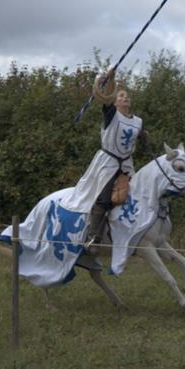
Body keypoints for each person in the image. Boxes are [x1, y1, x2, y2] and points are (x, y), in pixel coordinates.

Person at [78, 67, 147, 252]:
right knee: (103, 199)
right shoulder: (111, 115)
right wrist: (110, 78)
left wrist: (144, 137)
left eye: (126, 96)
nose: (125, 98)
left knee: (137, 197)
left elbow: (139, 136)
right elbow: (107, 95)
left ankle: (130, 236)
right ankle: (93, 238)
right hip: (108, 162)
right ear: (115, 102)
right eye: (121, 96)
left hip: (126, 163)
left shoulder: (138, 121)